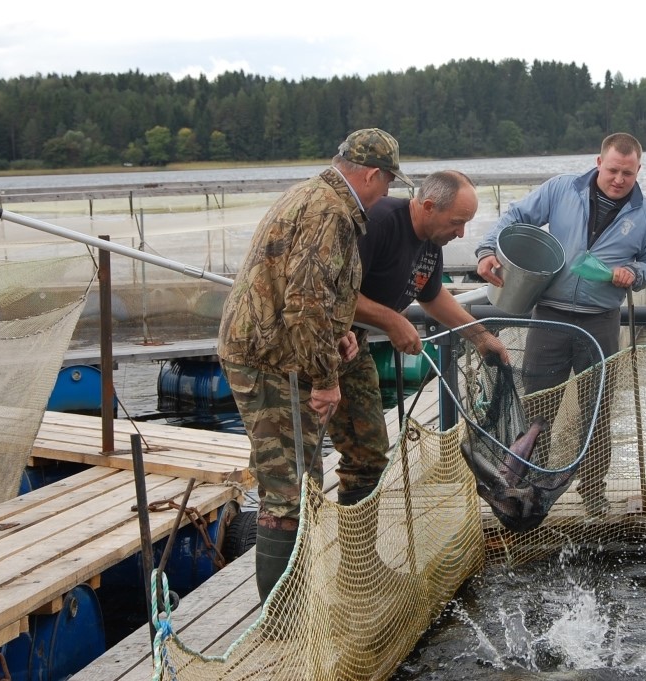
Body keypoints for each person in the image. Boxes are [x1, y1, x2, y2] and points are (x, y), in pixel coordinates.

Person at [217, 127, 412, 603]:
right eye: (387, 183)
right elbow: (304, 303)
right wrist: (326, 381)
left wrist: (339, 332)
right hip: (266, 360)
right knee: (289, 487)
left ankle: (297, 603)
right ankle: (285, 620)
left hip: (273, 351)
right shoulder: (331, 212)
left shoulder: (311, 194)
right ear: (370, 175)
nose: (386, 193)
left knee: (297, 481)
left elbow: (314, 293)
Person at [475, 132, 646, 517]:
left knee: (597, 413)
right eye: (613, 170)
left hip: (601, 322)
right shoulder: (562, 189)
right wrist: (486, 249)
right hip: (550, 315)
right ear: (599, 163)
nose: (619, 179)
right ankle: (530, 490)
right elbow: (516, 216)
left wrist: (634, 272)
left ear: (638, 171)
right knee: (537, 411)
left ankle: (593, 493)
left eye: (627, 173)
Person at [327, 170, 508, 507]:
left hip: (352, 345)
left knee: (370, 455)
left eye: (466, 223)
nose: (461, 232)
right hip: (312, 343)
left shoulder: (431, 241)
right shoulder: (379, 223)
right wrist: (393, 320)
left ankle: (358, 549)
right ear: (428, 207)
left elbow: (432, 295)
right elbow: (336, 291)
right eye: (457, 222)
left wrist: (481, 337)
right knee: (298, 459)